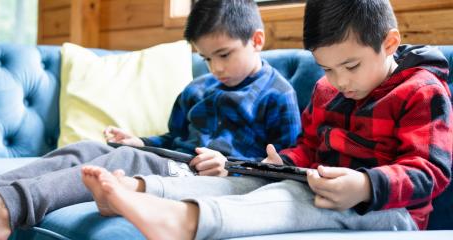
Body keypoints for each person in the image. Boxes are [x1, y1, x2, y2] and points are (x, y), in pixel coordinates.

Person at [80, 0, 453, 239]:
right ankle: (141, 191)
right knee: (255, 183)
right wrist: (282, 164)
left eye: (351, 66)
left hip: (392, 212)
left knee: (290, 198)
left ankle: (185, 223)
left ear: (389, 44)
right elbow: (308, 147)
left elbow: (432, 171)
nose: (339, 81)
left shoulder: (422, 90)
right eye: (326, 68)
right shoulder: (328, 89)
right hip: (322, 188)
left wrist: (367, 186)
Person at [0, 0, 302, 239]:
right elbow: (173, 139)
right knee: (89, 147)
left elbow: (284, 164)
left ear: (257, 40)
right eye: (206, 58)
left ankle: (6, 210)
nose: (215, 68)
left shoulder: (278, 94)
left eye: (224, 55)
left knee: (127, 159)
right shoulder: (198, 88)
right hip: (176, 160)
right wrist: (141, 141)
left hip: (211, 178)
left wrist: (229, 164)